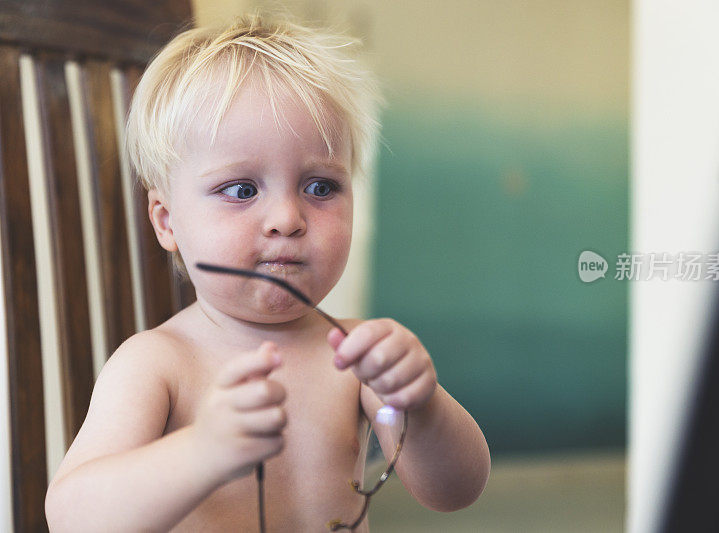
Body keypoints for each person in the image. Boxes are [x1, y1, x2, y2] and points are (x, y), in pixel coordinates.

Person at [44, 12, 490, 532]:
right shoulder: (159, 364)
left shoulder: (355, 357)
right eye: (241, 190)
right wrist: (201, 451)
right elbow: (72, 517)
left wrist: (420, 405)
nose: (287, 219)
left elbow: (455, 492)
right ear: (167, 221)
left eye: (320, 187)